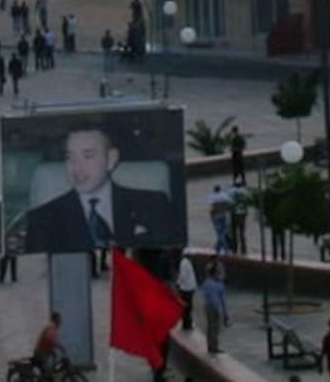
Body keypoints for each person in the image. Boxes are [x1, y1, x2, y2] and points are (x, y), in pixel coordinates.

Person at [24, 127, 175, 253]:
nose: (77, 167)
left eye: (88, 156)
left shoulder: (153, 204)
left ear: (111, 159)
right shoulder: (43, 219)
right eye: (70, 157)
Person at [32, 312, 61, 382]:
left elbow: (48, 342)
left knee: (49, 370)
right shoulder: (51, 327)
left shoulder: (52, 327)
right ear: (55, 319)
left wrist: (53, 351)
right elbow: (49, 340)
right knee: (46, 371)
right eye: (59, 319)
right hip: (41, 353)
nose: (61, 321)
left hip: (43, 352)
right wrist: (59, 346)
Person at [201, 264, 228, 354]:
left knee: (210, 327)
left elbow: (205, 295)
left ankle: (210, 345)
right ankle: (214, 346)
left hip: (207, 306)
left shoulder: (206, 283)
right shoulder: (218, 284)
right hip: (215, 307)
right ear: (215, 274)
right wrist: (225, 313)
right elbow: (222, 300)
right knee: (215, 327)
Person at [176, 248, 198, 331]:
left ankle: (187, 323)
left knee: (188, 307)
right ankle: (187, 324)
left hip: (188, 288)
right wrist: (178, 283)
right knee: (187, 307)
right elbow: (183, 276)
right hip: (186, 288)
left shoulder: (186, 262)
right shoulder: (185, 263)